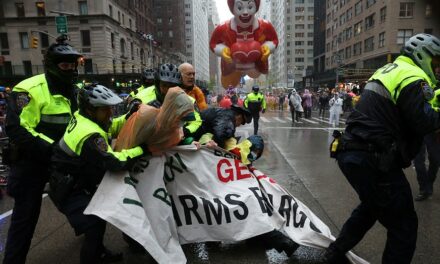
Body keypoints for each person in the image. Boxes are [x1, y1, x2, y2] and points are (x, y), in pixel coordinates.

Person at [325, 33, 440, 263]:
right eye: (436, 63)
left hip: (352, 152)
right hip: (374, 157)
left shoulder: (389, 69)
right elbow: (424, 122)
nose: (438, 69)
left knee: (371, 207)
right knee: (404, 226)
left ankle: (334, 254)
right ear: (423, 56)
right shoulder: (413, 76)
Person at [2, 36, 82, 264]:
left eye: (73, 65)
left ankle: (96, 243)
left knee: (85, 202)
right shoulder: (28, 89)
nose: (70, 69)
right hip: (31, 164)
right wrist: (53, 149)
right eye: (65, 65)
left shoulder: (75, 91)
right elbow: (18, 129)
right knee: (25, 217)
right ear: (52, 65)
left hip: (64, 160)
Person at [50, 84, 148, 263]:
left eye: (111, 108)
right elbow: (115, 162)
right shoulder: (89, 134)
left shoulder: (84, 117)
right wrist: (141, 149)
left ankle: (99, 253)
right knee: (93, 224)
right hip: (69, 188)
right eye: (105, 110)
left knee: (98, 220)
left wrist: (128, 116)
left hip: (74, 181)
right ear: (90, 109)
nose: (110, 113)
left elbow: (110, 126)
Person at [129, 63, 202, 140]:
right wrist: (144, 111)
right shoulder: (141, 97)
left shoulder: (188, 101)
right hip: (146, 142)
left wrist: (184, 131)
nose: (168, 90)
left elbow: (196, 122)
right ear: (157, 84)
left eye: (172, 86)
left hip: (175, 143)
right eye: (164, 85)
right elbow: (129, 126)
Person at [413, 132, 440, 201]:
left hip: (434, 131)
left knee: (435, 159)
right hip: (417, 130)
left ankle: (429, 184)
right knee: (418, 161)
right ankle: (423, 189)